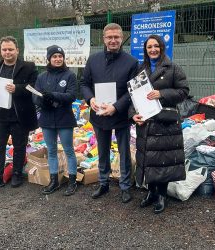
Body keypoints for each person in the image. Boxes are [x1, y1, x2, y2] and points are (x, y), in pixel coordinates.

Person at [129, 34, 189, 214]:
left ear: (162, 48)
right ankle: (151, 192)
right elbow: (133, 96)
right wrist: (133, 114)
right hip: (146, 123)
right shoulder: (140, 69)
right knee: (148, 159)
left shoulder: (173, 68)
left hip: (165, 123)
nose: (153, 49)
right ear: (145, 50)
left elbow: (184, 91)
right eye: (149, 47)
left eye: (156, 46)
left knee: (163, 160)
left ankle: (161, 195)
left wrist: (161, 94)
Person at [80, 23, 138, 203]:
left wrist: (117, 106)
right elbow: (84, 84)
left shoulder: (131, 62)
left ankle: (125, 186)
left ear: (122, 38)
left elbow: (132, 90)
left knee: (124, 152)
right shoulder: (93, 60)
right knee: (102, 151)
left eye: (116, 37)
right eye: (109, 37)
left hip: (120, 115)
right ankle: (103, 182)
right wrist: (91, 100)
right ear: (103, 39)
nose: (113, 40)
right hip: (98, 114)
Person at [0, 36, 38, 192]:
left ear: (17, 50)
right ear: (0, 51)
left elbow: (34, 87)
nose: (7, 52)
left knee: (19, 146)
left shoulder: (28, 66)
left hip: (19, 115)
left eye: (11, 49)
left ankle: (17, 174)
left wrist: (17, 88)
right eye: (4, 49)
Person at [32, 45, 78, 196]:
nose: (58, 59)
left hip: (64, 118)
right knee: (51, 151)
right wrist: (43, 101)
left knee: (68, 150)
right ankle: (54, 181)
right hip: (47, 119)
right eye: (54, 57)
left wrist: (53, 95)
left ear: (63, 58)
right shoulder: (41, 77)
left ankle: (72, 181)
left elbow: (72, 96)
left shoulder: (70, 75)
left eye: (60, 56)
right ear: (49, 59)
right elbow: (35, 96)